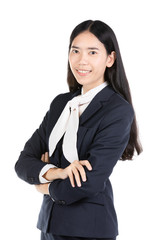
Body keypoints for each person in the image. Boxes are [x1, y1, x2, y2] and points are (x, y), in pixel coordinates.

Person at [15, 20, 142, 240]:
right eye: (75, 51)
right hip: (48, 225)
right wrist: (58, 172)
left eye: (92, 52)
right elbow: (23, 163)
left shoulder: (117, 110)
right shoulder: (60, 104)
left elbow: (89, 182)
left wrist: (43, 185)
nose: (81, 60)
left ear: (110, 59)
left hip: (88, 229)